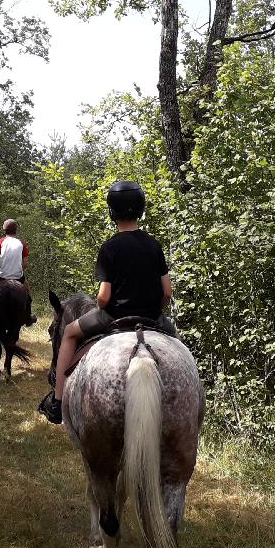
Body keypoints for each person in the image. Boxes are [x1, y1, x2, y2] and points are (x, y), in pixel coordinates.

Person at [39, 181, 175, 425]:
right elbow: (167, 291)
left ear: (112, 212)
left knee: (69, 333)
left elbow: (103, 298)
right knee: (178, 347)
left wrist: (108, 303)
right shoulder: (154, 245)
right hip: (153, 317)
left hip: (113, 316)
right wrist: (155, 309)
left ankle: (57, 401)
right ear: (141, 210)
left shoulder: (109, 248)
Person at [0, 219, 36, 326]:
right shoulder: (22, 243)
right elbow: (25, 264)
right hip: (18, 276)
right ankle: (28, 316)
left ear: (4, 229)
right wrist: (18, 270)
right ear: (16, 230)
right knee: (28, 293)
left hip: (1, 275)